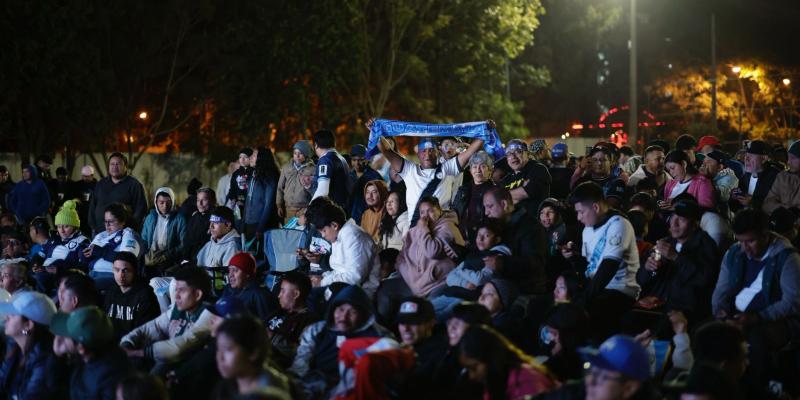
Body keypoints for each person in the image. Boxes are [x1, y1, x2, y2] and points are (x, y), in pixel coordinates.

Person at [711, 208, 800, 387]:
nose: (745, 248)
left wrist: (757, 317)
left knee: (756, 340)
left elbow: (793, 301)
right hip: (737, 315)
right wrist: (721, 314)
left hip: (776, 319)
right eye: (740, 241)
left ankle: (756, 389)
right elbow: (721, 291)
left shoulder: (787, 257)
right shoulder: (734, 253)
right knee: (708, 334)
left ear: (766, 236)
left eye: (750, 241)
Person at [563, 182, 640, 341]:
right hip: (596, 287)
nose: (578, 218)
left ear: (596, 208)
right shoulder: (587, 229)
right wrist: (574, 257)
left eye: (581, 212)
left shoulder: (618, 224)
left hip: (619, 289)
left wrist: (584, 299)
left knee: (587, 312)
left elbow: (608, 266)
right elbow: (589, 265)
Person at [290, 284, 392, 398]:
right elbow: (301, 363)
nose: (344, 317)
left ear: (364, 315)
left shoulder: (378, 335)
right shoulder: (318, 330)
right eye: (341, 309)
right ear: (333, 309)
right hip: (316, 385)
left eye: (352, 312)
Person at [373, 127, 485, 225]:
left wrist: (484, 130)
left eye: (431, 150)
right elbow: (386, 150)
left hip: (441, 230)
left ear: (438, 152)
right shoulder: (409, 170)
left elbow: (471, 150)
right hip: (416, 231)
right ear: (418, 153)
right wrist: (375, 129)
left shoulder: (448, 168)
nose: (427, 154)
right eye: (424, 151)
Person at [378, 196, 464, 322]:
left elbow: (431, 251)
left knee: (426, 313)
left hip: (435, 284)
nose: (425, 216)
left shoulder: (447, 227)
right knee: (384, 289)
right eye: (422, 212)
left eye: (430, 211)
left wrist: (423, 229)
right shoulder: (414, 231)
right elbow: (401, 258)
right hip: (413, 281)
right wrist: (409, 273)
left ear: (439, 210)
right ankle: (387, 329)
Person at [637, 198, 720, 323]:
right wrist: (648, 268)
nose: (674, 224)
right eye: (672, 217)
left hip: (686, 310)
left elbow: (704, 279)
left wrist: (676, 257)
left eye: (681, 219)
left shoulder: (706, 245)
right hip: (656, 304)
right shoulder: (667, 242)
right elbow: (641, 280)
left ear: (695, 223)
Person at [121, 267, 215, 369]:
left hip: (193, 372)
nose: (176, 295)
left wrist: (137, 353)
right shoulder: (179, 309)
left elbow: (179, 346)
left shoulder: (209, 315)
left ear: (197, 295)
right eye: (176, 290)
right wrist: (128, 342)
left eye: (182, 291)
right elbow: (154, 326)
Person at [431, 219, 510, 319]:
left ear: (497, 239)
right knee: (424, 309)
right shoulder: (473, 255)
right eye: (478, 235)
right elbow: (450, 277)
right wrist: (464, 282)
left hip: (467, 299)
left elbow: (479, 279)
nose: (480, 239)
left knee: (437, 317)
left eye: (486, 235)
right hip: (451, 293)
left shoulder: (496, 257)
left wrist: (460, 272)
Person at [50, 306, 133, 400]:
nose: (61, 337)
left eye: (66, 336)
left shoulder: (111, 379)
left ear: (81, 348)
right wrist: (57, 357)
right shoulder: (90, 355)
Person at [458, 325, 556, 400]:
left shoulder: (527, 383)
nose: (472, 376)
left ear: (491, 358)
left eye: (474, 367)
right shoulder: (495, 379)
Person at [304, 200, 381, 296]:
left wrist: (322, 282)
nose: (323, 235)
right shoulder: (339, 236)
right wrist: (322, 278)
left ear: (334, 225)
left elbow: (354, 277)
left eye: (324, 231)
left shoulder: (353, 236)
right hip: (342, 288)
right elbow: (339, 271)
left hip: (359, 292)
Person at [482, 186, 548, 295]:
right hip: (495, 286)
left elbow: (536, 263)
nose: (486, 213)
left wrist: (502, 263)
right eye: (485, 208)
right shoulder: (496, 225)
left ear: (504, 204)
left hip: (524, 291)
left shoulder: (531, 227)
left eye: (489, 207)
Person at [213, 315, 293, 399]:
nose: (220, 357)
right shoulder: (227, 386)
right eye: (218, 349)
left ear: (253, 352)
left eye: (228, 349)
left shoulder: (271, 395)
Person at [0, 291, 61, 399]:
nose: (6, 317)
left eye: (13, 315)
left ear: (28, 325)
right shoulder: (15, 348)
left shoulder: (46, 362)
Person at [82, 202, 144, 290]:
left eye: (111, 222)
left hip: (112, 276)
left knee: (85, 288)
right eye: (105, 221)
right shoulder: (101, 235)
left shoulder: (128, 235)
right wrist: (84, 255)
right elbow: (90, 256)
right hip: (92, 273)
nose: (107, 225)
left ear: (122, 221)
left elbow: (127, 260)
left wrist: (101, 251)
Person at [104, 252, 160, 341]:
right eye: (117, 270)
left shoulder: (145, 294)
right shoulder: (111, 292)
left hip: (135, 345)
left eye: (125, 270)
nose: (121, 275)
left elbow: (147, 331)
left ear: (135, 271)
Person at [266, 271, 317, 368]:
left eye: (283, 291)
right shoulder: (278, 312)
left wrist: (272, 337)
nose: (279, 295)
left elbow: (300, 352)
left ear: (296, 294)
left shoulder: (309, 321)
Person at [87, 153, 148, 233]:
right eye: (112, 164)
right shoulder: (101, 184)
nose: (115, 167)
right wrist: (93, 226)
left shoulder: (134, 185)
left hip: (122, 234)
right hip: (99, 233)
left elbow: (141, 209)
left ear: (125, 166)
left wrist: (130, 228)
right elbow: (93, 205)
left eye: (118, 164)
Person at [452, 151, 497, 244]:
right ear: (470, 170)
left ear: (490, 170)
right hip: (460, 240)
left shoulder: (495, 192)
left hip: (483, 242)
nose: (478, 170)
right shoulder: (463, 190)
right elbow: (454, 213)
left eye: (483, 166)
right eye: (474, 167)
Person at [500, 139, 552, 217]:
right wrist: (520, 190)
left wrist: (503, 195)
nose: (513, 156)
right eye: (509, 154)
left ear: (527, 153)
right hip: (512, 226)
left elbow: (527, 192)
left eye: (518, 152)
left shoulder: (538, 169)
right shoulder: (506, 178)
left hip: (535, 224)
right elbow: (500, 202)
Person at [141, 187, 186, 272]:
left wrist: (167, 255)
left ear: (172, 202)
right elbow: (144, 239)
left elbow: (183, 244)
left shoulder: (179, 219)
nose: (165, 206)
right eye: (161, 202)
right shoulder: (150, 218)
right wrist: (146, 253)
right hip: (151, 256)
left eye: (168, 202)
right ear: (156, 202)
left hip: (169, 258)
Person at [221, 252, 276, 322]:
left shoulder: (259, 294)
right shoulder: (228, 289)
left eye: (235, 270)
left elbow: (268, 326)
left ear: (247, 273)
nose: (230, 275)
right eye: (229, 270)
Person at [244, 147, 281, 245]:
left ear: (261, 158)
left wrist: (261, 227)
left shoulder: (270, 177)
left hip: (262, 225)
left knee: (261, 256)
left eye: (254, 155)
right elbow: (248, 201)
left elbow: (268, 204)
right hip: (249, 223)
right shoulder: (253, 174)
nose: (251, 158)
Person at [730, 140, 780, 213]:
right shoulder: (745, 176)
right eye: (746, 155)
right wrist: (734, 198)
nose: (746, 159)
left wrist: (753, 202)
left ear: (764, 159)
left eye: (751, 156)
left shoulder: (776, 177)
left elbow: (779, 207)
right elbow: (736, 207)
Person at [573, 145, 627, 209]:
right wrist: (581, 168)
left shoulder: (617, 182)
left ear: (611, 162)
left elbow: (609, 207)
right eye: (595, 160)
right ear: (590, 162)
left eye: (603, 160)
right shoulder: (583, 180)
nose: (599, 163)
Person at [311, 130, 352, 210]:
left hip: (332, 211)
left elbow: (323, 191)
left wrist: (309, 209)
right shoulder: (341, 158)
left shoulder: (325, 160)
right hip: (344, 208)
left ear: (316, 145)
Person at [277, 140, 315, 221]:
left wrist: (310, 209)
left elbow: (315, 191)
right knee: (288, 232)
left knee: (301, 232)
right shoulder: (286, 168)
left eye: (300, 153)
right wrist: (279, 205)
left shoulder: (313, 169)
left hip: (304, 210)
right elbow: (280, 188)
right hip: (288, 210)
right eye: (295, 153)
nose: (297, 156)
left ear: (306, 154)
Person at [347, 144, 384, 224]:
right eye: (354, 160)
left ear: (367, 159)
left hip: (369, 221)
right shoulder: (348, 177)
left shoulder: (375, 177)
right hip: (350, 221)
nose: (357, 163)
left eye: (360, 160)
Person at [763, 140, 800, 214]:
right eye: (788, 158)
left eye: (793, 158)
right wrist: (788, 211)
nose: (789, 162)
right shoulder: (782, 177)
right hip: (783, 223)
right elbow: (767, 204)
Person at [699, 150, 739, 217]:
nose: (704, 165)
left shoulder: (730, 178)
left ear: (720, 167)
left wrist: (705, 179)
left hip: (722, 217)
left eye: (708, 162)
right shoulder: (711, 177)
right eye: (704, 162)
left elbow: (722, 197)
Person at [183, 187, 216, 260]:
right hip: (190, 258)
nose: (200, 203)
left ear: (212, 201)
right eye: (198, 200)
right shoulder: (195, 217)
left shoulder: (216, 220)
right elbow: (187, 240)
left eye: (204, 200)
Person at [226, 148, 254, 214]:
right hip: (238, 206)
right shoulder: (236, 173)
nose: (242, 159)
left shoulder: (254, 172)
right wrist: (233, 199)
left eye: (245, 157)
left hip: (251, 206)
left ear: (251, 158)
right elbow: (232, 189)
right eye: (240, 157)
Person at [74, 165, 98, 236]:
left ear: (92, 175)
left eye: (88, 176)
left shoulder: (97, 185)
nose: (85, 178)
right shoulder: (77, 185)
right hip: (80, 214)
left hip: (92, 213)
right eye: (84, 176)